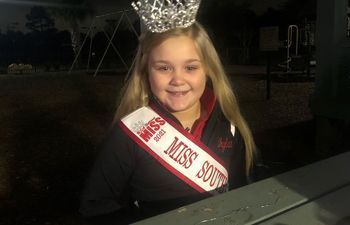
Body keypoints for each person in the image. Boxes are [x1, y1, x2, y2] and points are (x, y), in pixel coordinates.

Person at [79, 0, 256, 224]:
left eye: (190, 67)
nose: (177, 80)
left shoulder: (229, 127)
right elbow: (95, 206)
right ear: (146, 72)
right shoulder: (130, 134)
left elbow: (241, 191)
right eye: (164, 68)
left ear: (208, 71)